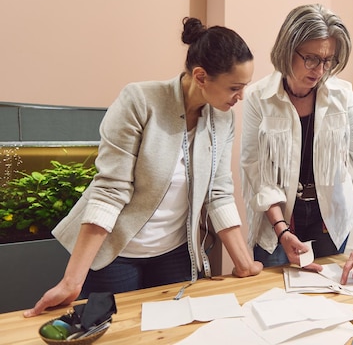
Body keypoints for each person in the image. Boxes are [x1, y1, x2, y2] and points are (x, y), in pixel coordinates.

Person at [24, 17, 263, 317]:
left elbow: (219, 192)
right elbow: (110, 191)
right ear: (201, 77)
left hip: (176, 254)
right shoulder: (140, 101)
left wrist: (243, 263)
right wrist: (72, 281)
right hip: (118, 254)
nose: (241, 97)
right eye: (235, 87)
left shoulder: (223, 118)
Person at [241, 4, 353, 285]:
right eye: (310, 59)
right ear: (288, 50)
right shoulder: (258, 97)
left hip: (329, 221)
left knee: (329, 295)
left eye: (328, 60)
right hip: (278, 221)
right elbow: (257, 172)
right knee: (274, 295)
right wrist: (282, 230)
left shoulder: (342, 96)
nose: (320, 70)